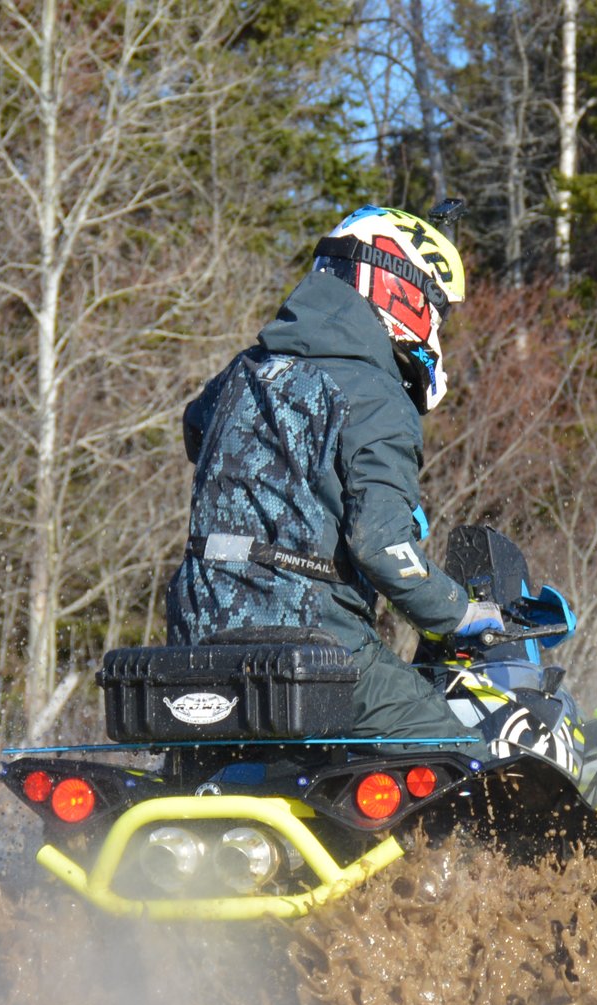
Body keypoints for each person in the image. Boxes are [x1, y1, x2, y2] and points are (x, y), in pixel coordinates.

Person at [165, 204, 503, 756]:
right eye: (436, 304)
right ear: (400, 289)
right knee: (461, 755)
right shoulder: (376, 395)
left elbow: (196, 431)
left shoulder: (245, 371)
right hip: (313, 645)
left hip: (198, 634)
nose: (437, 322)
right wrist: (459, 612)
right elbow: (381, 543)